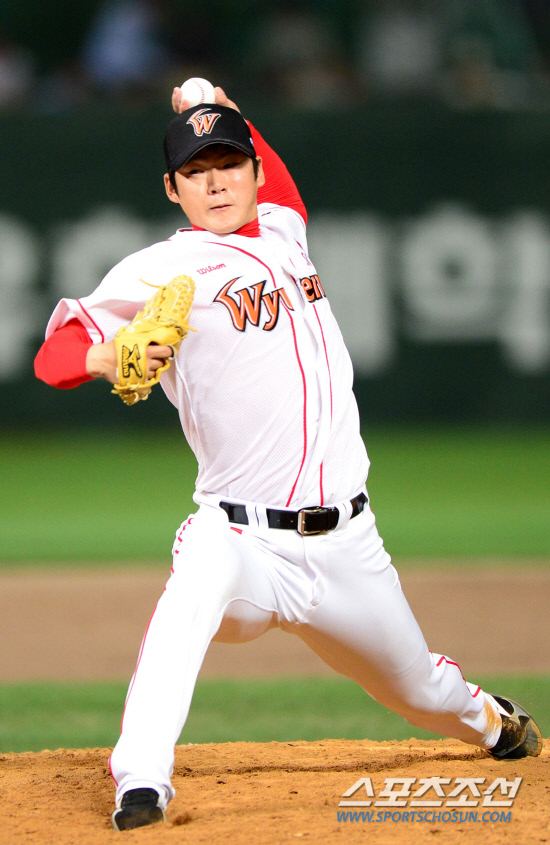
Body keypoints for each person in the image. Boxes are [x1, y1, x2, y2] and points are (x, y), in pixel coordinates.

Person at [35, 85, 542, 832]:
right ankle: (141, 780)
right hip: (242, 538)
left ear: (254, 172)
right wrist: (105, 355)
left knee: (418, 689)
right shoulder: (161, 267)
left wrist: (229, 107)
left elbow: (283, 184)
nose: (215, 183)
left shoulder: (283, 229)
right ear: (171, 188)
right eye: (196, 171)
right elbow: (53, 354)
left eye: (229, 164)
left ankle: (490, 721)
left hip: (347, 546)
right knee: (193, 586)